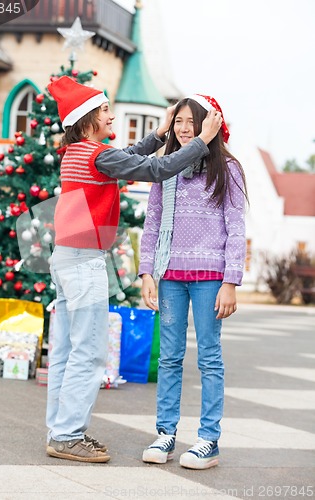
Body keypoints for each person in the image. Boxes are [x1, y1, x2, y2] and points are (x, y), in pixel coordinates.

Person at [45, 76, 222, 463]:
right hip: (84, 260)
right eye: (106, 110)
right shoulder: (97, 155)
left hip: (64, 257)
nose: (112, 116)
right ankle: (67, 435)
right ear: (90, 118)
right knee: (88, 352)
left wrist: (158, 135)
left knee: (64, 349)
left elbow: (127, 156)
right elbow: (156, 170)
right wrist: (200, 142)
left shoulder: (76, 152)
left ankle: (58, 430)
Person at [139, 94, 248, 469]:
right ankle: (165, 434)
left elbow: (236, 228)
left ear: (209, 125)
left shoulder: (227, 169)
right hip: (170, 276)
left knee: (209, 357)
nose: (185, 129)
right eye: (179, 122)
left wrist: (231, 280)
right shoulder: (164, 167)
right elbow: (151, 223)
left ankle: (208, 440)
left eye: (192, 122)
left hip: (209, 278)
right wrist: (146, 273)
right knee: (169, 357)